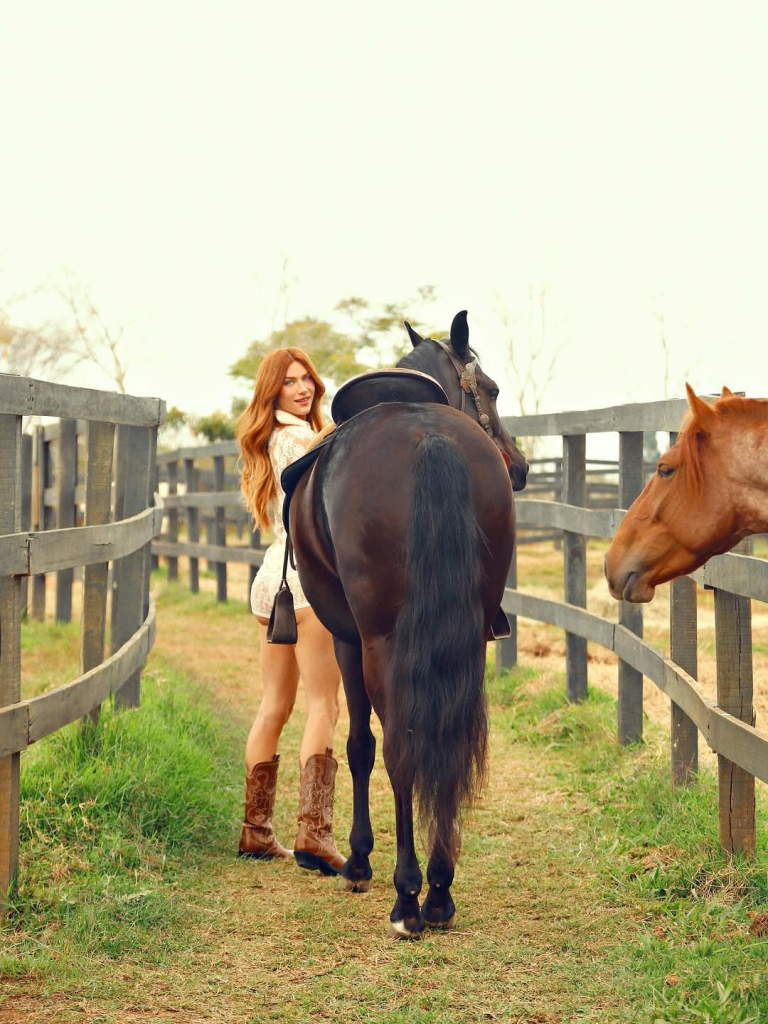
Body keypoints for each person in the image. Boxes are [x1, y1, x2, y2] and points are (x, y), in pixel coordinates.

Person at [235, 348, 345, 874]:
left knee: (273, 706)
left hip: (269, 581)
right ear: (272, 392)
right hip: (303, 581)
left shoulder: (273, 439)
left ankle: (256, 831)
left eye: (307, 380)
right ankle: (314, 834)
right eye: (289, 383)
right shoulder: (298, 438)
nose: (302, 389)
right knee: (325, 703)